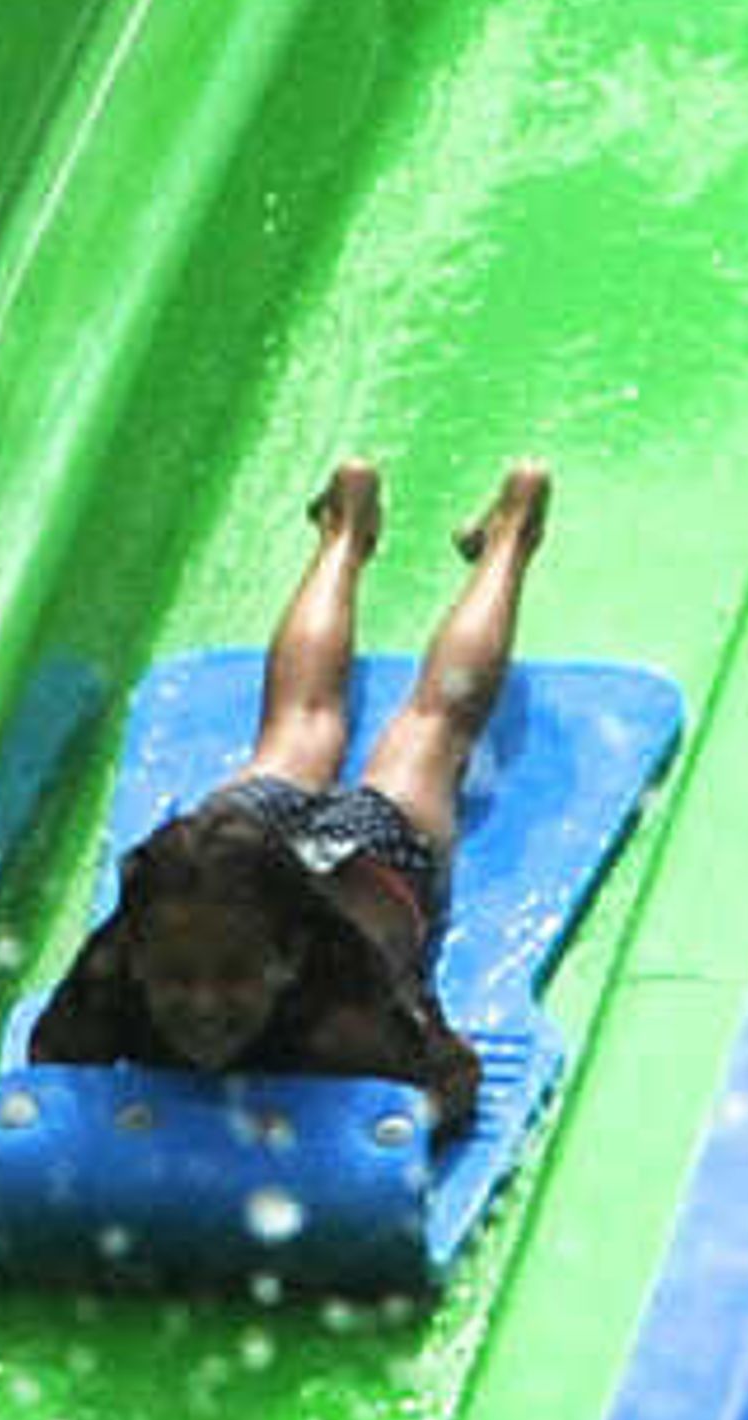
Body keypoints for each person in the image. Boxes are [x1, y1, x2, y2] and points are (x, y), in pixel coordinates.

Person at [29, 459, 553, 1146]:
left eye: (235, 978)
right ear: (137, 958)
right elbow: (49, 1069)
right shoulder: (112, 971)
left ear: (288, 956)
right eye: (176, 978)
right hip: (241, 845)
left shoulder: (350, 1012)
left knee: (427, 730)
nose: (204, 1006)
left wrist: (368, 1133)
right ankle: (343, 532)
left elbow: (455, 1083)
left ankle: (508, 533)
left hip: (369, 859)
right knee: (300, 724)